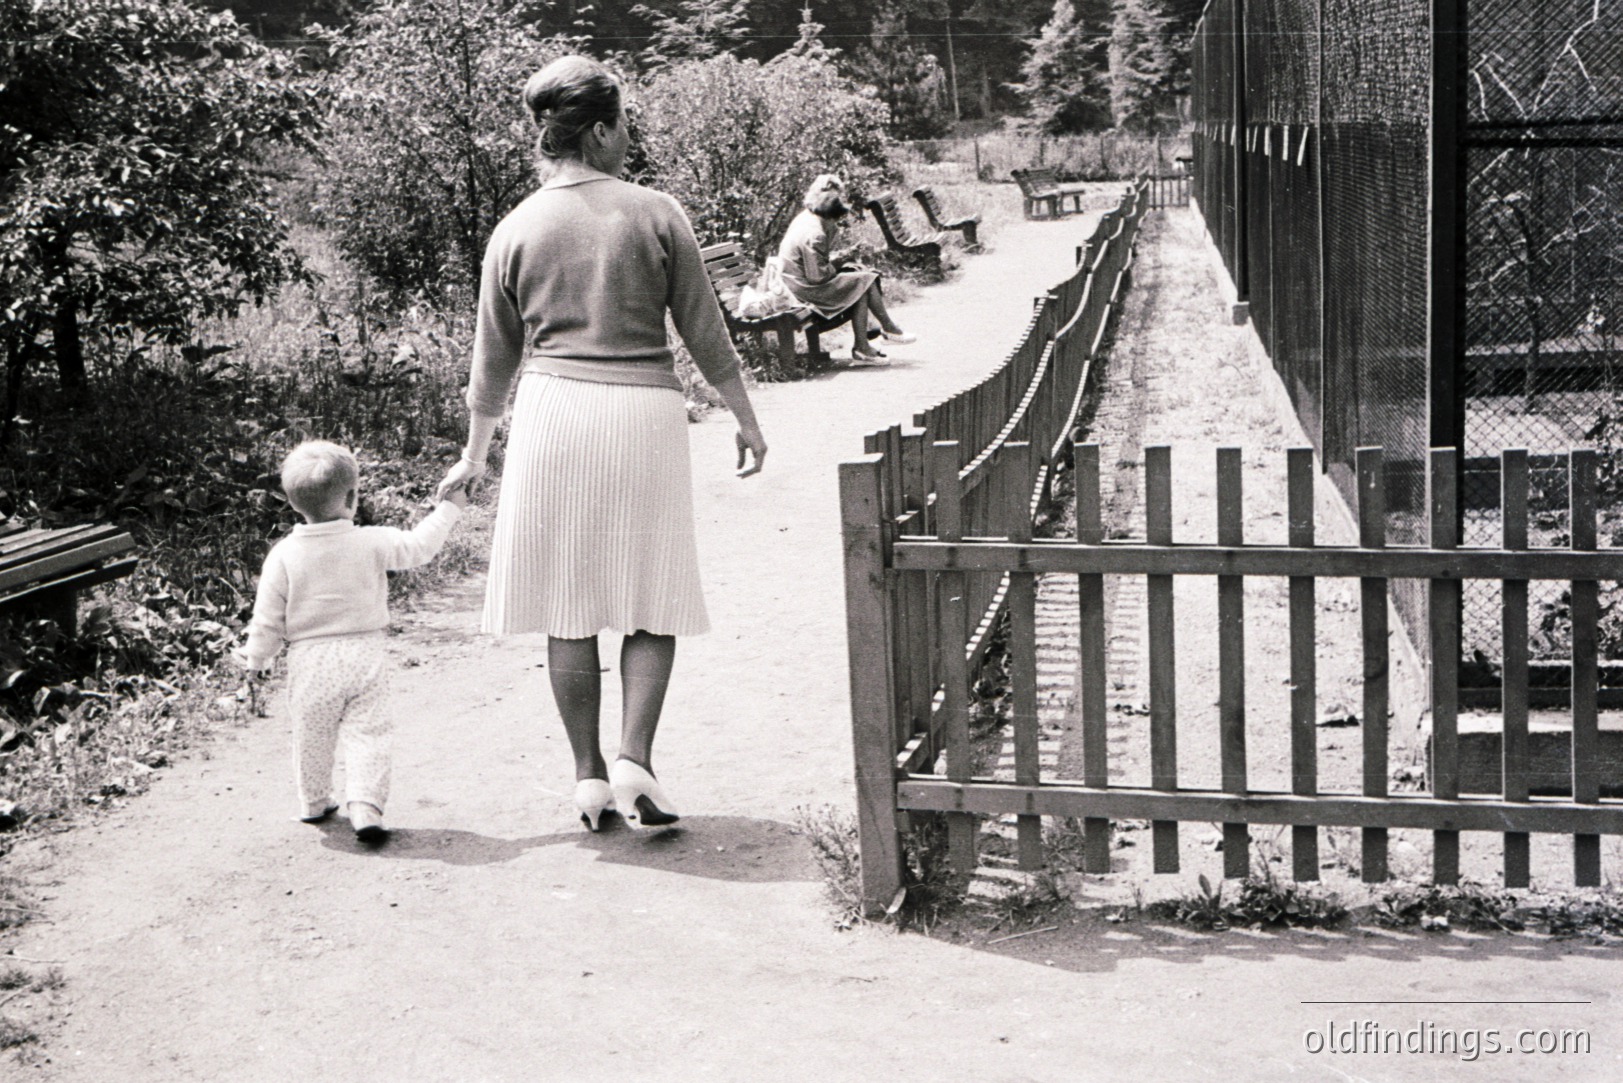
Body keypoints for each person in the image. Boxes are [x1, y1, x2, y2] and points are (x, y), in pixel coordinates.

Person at [434, 55, 767, 833]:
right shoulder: (656, 213)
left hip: (551, 415)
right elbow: (704, 332)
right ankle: (635, 759)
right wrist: (745, 416)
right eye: (624, 127)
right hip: (642, 414)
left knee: (569, 602)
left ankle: (586, 778)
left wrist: (475, 453)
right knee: (652, 596)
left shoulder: (513, 228)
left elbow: (492, 362)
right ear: (604, 128)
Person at [237, 440, 466, 843]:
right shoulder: (372, 541)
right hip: (365, 654)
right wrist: (449, 508)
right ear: (353, 497)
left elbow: (268, 617)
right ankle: (365, 805)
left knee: (312, 733)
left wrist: (256, 658)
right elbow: (419, 547)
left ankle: (314, 801)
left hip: (310, 659)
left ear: (292, 504)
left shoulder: (284, 554)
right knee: (370, 732)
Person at [777, 173, 916, 363]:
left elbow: (814, 264)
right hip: (803, 291)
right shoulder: (814, 233)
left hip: (796, 283)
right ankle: (884, 330)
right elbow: (817, 277)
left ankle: (866, 344)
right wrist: (840, 260)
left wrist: (843, 259)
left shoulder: (806, 217)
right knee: (863, 281)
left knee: (858, 276)